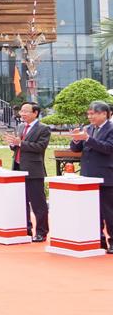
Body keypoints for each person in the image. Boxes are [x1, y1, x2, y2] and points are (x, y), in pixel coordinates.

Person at [69, 100, 113, 253]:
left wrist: (88, 139)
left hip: (106, 176)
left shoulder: (111, 128)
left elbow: (108, 148)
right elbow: (76, 149)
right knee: (93, 211)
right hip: (88, 176)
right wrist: (76, 139)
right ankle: (98, 239)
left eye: (93, 114)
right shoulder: (87, 128)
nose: (90, 117)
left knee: (109, 211)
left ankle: (112, 241)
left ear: (104, 114)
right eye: (88, 114)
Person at [5, 102, 50, 242]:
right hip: (18, 168)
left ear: (35, 113)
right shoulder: (20, 126)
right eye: (21, 111)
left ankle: (41, 232)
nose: (22, 114)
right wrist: (13, 144)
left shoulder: (43, 128)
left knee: (38, 203)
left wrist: (20, 143)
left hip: (34, 170)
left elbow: (40, 147)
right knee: (21, 201)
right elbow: (18, 146)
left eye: (26, 111)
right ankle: (26, 229)